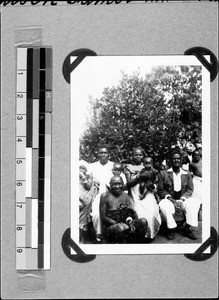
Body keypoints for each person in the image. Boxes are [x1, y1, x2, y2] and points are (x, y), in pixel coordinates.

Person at [158, 149, 201, 240]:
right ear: (170, 160)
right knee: (163, 205)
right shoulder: (164, 173)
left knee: (195, 201)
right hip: (170, 200)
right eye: (174, 159)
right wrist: (171, 199)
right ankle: (171, 228)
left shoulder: (187, 173)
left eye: (178, 159)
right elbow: (160, 190)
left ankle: (187, 228)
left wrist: (182, 199)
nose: (176, 160)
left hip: (183, 200)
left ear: (181, 160)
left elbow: (190, 189)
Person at [124, 147, 161, 240]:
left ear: (143, 156)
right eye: (135, 154)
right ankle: (139, 235)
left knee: (151, 211)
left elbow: (155, 182)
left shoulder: (149, 166)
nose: (138, 156)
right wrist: (139, 177)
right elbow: (128, 183)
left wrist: (152, 185)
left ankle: (149, 235)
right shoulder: (128, 167)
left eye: (140, 154)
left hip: (147, 192)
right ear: (132, 156)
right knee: (138, 213)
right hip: (134, 193)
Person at [100, 175, 148, 243]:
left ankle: (138, 244)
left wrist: (130, 223)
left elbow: (131, 213)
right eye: (114, 184)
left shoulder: (126, 196)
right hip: (111, 227)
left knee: (143, 221)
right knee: (121, 228)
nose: (117, 186)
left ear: (123, 184)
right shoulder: (105, 196)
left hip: (125, 224)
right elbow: (103, 217)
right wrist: (118, 223)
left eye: (119, 184)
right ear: (110, 185)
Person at [89, 144, 114, 241]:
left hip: (112, 194)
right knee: (96, 214)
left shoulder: (113, 166)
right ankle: (99, 234)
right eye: (101, 153)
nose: (103, 155)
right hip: (97, 195)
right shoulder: (92, 166)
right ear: (97, 154)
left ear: (109, 154)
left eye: (105, 153)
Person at [79, 163, 99, 243]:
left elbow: (88, 187)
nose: (81, 170)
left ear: (86, 169)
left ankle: (83, 240)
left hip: (86, 201)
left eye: (83, 168)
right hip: (78, 200)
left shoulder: (89, 176)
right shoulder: (73, 175)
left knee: (84, 221)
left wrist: (83, 177)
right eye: (80, 168)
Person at [189, 150, 202, 220]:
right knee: (197, 196)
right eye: (195, 155)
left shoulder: (203, 161)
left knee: (203, 196)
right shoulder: (191, 163)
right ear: (192, 156)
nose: (196, 157)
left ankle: (202, 213)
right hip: (196, 180)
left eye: (198, 155)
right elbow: (190, 172)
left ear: (200, 156)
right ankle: (198, 213)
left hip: (203, 180)